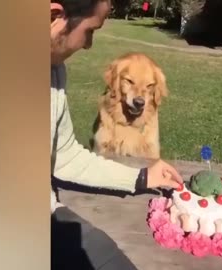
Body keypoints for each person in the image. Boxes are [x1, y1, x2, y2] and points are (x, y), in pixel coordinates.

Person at [50, 0, 183, 269]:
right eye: (90, 31)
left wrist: (142, 177)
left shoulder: (53, 71)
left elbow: (64, 157)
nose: (88, 45)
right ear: (55, 17)